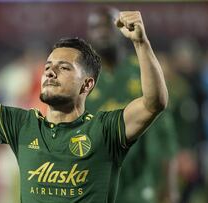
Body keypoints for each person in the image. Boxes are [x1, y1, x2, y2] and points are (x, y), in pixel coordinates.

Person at [0, 5, 168, 202]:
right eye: (49, 66)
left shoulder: (105, 129)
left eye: (64, 67)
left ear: (87, 85)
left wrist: (140, 43)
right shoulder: (23, 126)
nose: (50, 72)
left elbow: (153, 103)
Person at [86, 8, 178, 203]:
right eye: (95, 27)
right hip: (96, 187)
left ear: (121, 28)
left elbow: (165, 136)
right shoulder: (82, 80)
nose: (102, 32)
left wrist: (170, 187)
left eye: (108, 25)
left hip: (140, 185)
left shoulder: (143, 71)